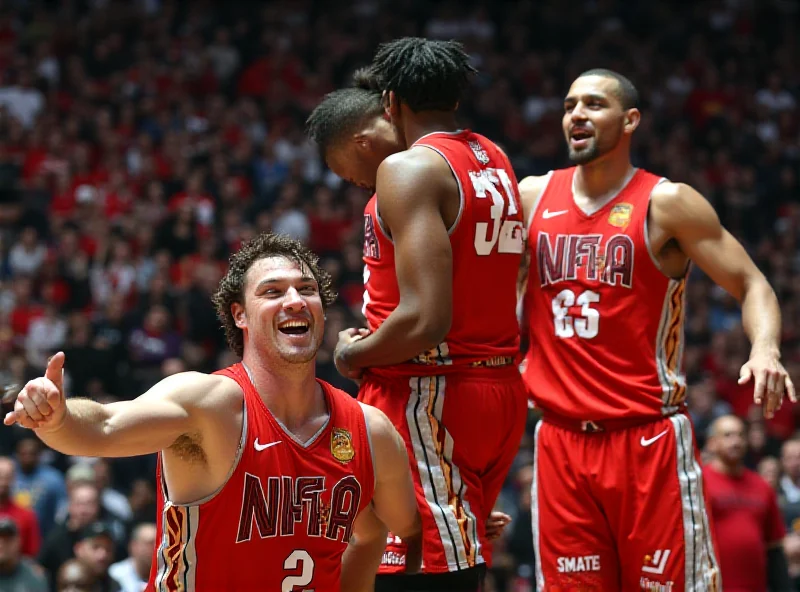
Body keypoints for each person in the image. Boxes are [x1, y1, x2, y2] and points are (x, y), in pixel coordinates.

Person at [4, 232, 422, 591]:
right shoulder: (209, 404)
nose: (295, 300)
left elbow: (383, 532)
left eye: (306, 289)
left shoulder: (370, 430)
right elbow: (105, 425)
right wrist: (57, 417)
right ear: (239, 315)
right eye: (272, 291)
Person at [517, 68, 796, 591]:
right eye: (569, 104)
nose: (576, 114)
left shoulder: (667, 203)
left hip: (646, 438)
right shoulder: (531, 197)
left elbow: (753, 283)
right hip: (559, 443)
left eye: (594, 104)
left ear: (630, 121)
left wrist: (764, 348)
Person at [307, 38, 528, 591]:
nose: (356, 182)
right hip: (495, 382)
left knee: (418, 562)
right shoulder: (492, 156)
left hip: (430, 387)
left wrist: (353, 351)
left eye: (346, 170)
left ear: (390, 102)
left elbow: (426, 319)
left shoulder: (408, 169)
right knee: (442, 549)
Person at [704, 415, 791, 591]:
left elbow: (774, 547)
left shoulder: (762, 486)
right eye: (728, 435)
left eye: (741, 435)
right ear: (712, 443)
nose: (736, 441)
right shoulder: (699, 483)